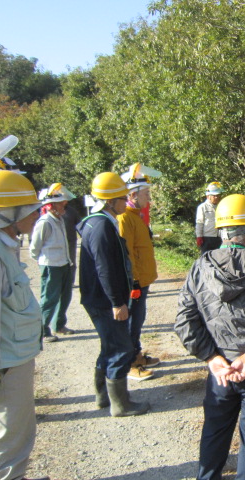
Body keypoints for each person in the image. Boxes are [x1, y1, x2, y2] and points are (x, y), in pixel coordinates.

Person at [175, 194, 245, 480]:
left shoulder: (200, 267)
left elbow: (185, 321)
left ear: (222, 231)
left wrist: (212, 359)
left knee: (214, 430)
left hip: (221, 370)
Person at [0, 170, 52, 480]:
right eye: (30, 208)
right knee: (5, 443)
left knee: (17, 434)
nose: (37, 213)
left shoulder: (1, 245)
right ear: (9, 214)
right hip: (4, 367)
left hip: (11, 361)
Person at [77, 172, 149, 417]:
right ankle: (121, 404)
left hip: (99, 299)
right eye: (121, 197)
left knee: (109, 346)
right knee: (120, 347)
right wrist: (118, 302)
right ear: (110, 201)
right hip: (105, 301)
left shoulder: (95, 221)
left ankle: (103, 397)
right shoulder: (101, 227)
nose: (125, 201)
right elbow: (105, 268)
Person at [118, 163, 162, 381]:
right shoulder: (125, 217)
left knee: (138, 320)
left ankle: (137, 354)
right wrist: (133, 281)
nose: (149, 198)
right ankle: (130, 364)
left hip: (142, 280)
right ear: (133, 195)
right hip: (135, 282)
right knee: (131, 322)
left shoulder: (136, 216)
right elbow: (126, 254)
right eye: (146, 194)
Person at [30, 183, 76, 342]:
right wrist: (42, 262)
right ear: (52, 205)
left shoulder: (59, 219)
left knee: (66, 296)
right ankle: (43, 330)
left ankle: (59, 325)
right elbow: (34, 247)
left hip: (64, 264)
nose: (65, 205)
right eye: (62, 203)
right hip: (51, 266)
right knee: (49, 299)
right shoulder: (45, 222)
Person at [195, 182, 224, 253]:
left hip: (220, 237)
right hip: (207, 238)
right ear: (208, 196)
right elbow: (199, 223)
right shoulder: (202, 207)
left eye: (218, 195)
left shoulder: (222, 206)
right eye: (214, 195)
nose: (216, 197)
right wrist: (199, 236)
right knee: (206, 259)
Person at [61, 202, 81, 286]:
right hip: (58, 242)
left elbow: (79, 225)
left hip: (71, 241)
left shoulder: (72, 211)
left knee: (71, 262)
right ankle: (61, 281)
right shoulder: (53, 211)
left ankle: (71, 282)